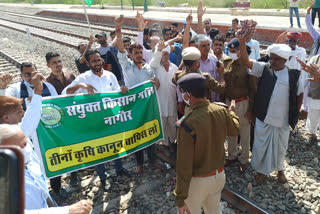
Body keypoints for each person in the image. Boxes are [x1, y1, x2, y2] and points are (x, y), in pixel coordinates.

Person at [62, 49, 130, 190]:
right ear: (87, 63)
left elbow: (117, 94)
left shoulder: (110, 75)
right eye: (94, 61)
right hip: (94, 122)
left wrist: (122, 91)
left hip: (111, 118)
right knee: (99, 148)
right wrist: (81, 86)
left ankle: (119, 169)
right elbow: (65, 93)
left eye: (99, 60)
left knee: (115, 144)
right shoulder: (83, 78)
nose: (98, 63)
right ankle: (103, 177)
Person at [239, 36, 304, 183]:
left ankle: (280, 171)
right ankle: (261, 172)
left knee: (281, 148)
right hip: (264, 116)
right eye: (271, 58)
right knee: (260, 146)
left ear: (285, 61)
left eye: (276, 59)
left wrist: (296, 112)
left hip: (282, 120)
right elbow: (245, 61)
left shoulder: (294, 75)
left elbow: (299, 95)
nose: (272, 62)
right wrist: (242, 42)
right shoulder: (263, 68)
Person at [174, 73, 240, 214]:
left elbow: (183, 166)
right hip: (219, 176)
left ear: (189, 95)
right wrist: (232, 113)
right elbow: (235, 129)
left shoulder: (187, 123)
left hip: (198, 182)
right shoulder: (221, 110)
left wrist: (180, 198)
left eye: (183, 93)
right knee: (214, 210)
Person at [0, 124, 92, 214]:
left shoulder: (30, 163)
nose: (28, 148)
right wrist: (67, 211)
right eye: (23, 144)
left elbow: (43, 193)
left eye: (27, 142)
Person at [115, 15, 162, 174]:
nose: (139, 55)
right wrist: (118, 29)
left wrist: (157, 83)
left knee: (150, 133)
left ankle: (153, 160)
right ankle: (140, 163)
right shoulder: (126, 66)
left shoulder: (149, 68)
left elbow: (154, 86)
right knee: (136, 135)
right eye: (136, 52)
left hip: (147, 108)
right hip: (132, 108)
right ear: (130, 54)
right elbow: (120, 48)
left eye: (140, 52)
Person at [45, 52, 78, 195]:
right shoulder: (46, 83)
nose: (58, 64)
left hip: (73, 121)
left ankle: (74, 175)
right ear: (48, 65)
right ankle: (56, 187)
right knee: (58, 153)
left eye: (59, 61)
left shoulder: (71, 77)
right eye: (54, 62)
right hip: (58, 125)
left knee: (74, 147)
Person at [223, 38, 256, 172]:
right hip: (229, 101)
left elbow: (253, 90)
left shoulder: (249, 66)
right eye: (230, 51)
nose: (231, 53)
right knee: (231, 130)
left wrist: (250, 110)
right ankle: (232, 155)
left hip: (243, 102)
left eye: (234, 51)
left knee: (244, 132)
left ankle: (244, 159)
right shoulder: (226, 63)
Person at [172, 47, 225, 116]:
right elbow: (221, 89)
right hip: (204, 111)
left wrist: (182, 64)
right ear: (197, 63)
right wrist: (221, 74)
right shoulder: (205, 77)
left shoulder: (178, 76)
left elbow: (173, 80)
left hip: (188, 110)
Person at [149, 44, 178, 150]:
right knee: (162, 127)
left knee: (173, 126)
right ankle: (164, 148)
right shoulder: (154, 67)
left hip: (172, 103)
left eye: (165, 54)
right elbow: (153, 63)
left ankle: (173, 147)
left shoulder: (174, 68)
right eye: (161, 54)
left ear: (169, 55)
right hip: (159, 104)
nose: (163, 57)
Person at [297, 56, 320, 144]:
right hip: (315, 94)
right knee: (313, 117)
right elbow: (306, 75)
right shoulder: (315, 59)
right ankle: (313, 136)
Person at [195, 34, 224, 102]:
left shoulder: (214, 59)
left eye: (208, 45)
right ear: (197, 47)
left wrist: (217, 98)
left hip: (213, 100)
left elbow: (217, 78)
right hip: (198, 100)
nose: (207, 47)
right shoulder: (194, 60)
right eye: (204, 46)